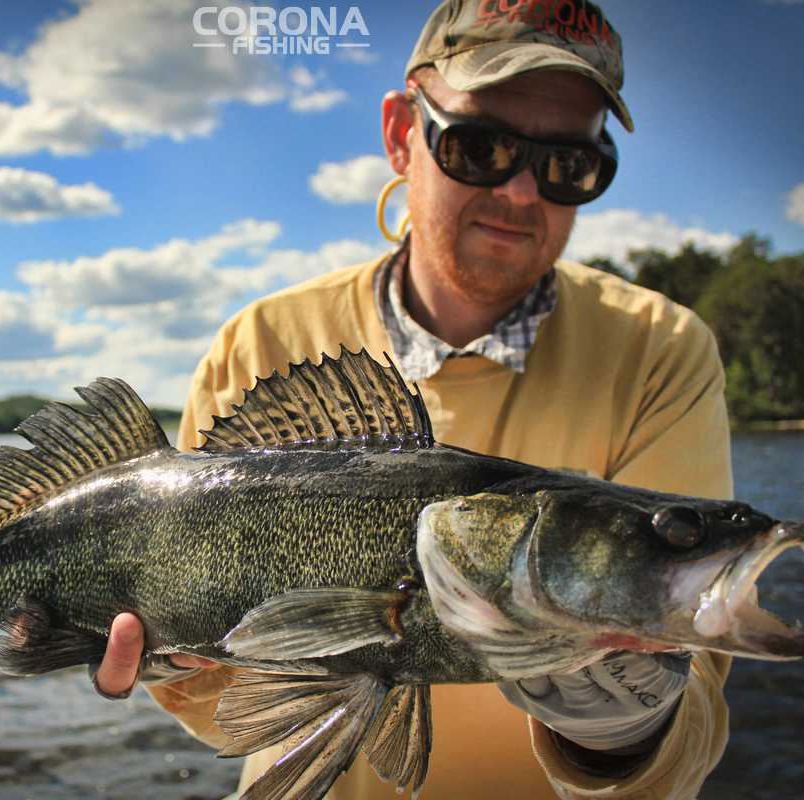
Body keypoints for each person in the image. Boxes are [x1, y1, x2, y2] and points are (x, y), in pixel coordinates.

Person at [94, 1, 734, 797]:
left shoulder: (658, 351)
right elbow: (224, 707)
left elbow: (692, 710)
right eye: (480, 146)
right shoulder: (260, 340)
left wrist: (626, 732)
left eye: (569, 165)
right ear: (403, 133)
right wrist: (173, 664)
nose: (523, 193)